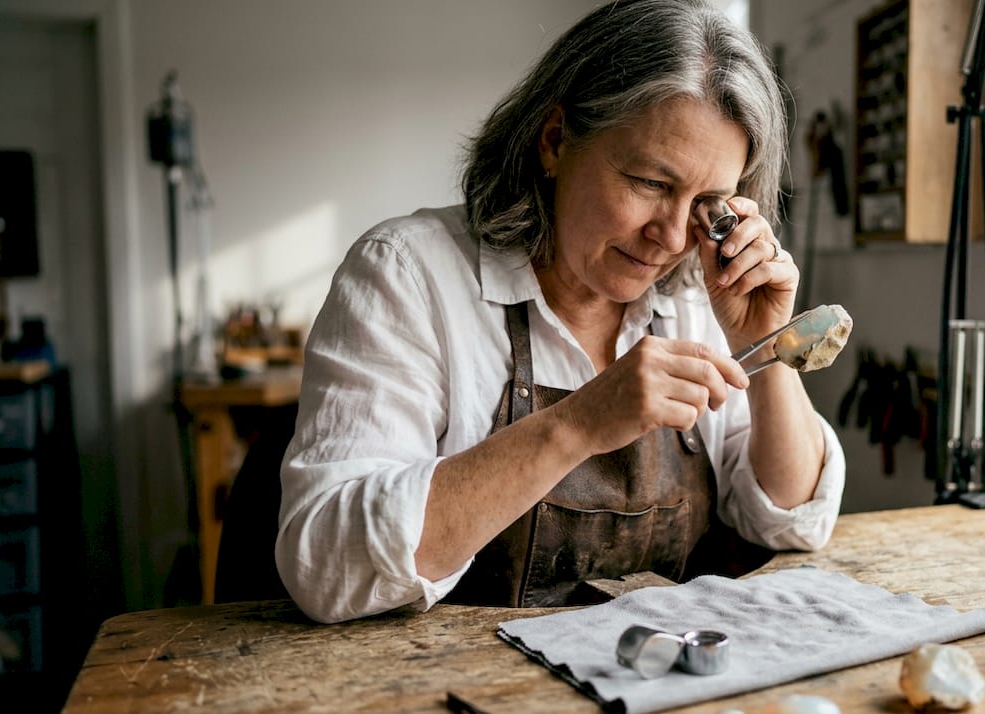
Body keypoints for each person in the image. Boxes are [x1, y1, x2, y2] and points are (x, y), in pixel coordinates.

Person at [276, 0, 846, 624]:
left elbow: (792, 520)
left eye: (707, 202)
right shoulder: (408, 275)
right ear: (555, 141)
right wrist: (576, 425)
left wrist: (768, 344)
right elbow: (327, 565)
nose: (671, 236)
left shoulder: (699, 294)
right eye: (651, 183)